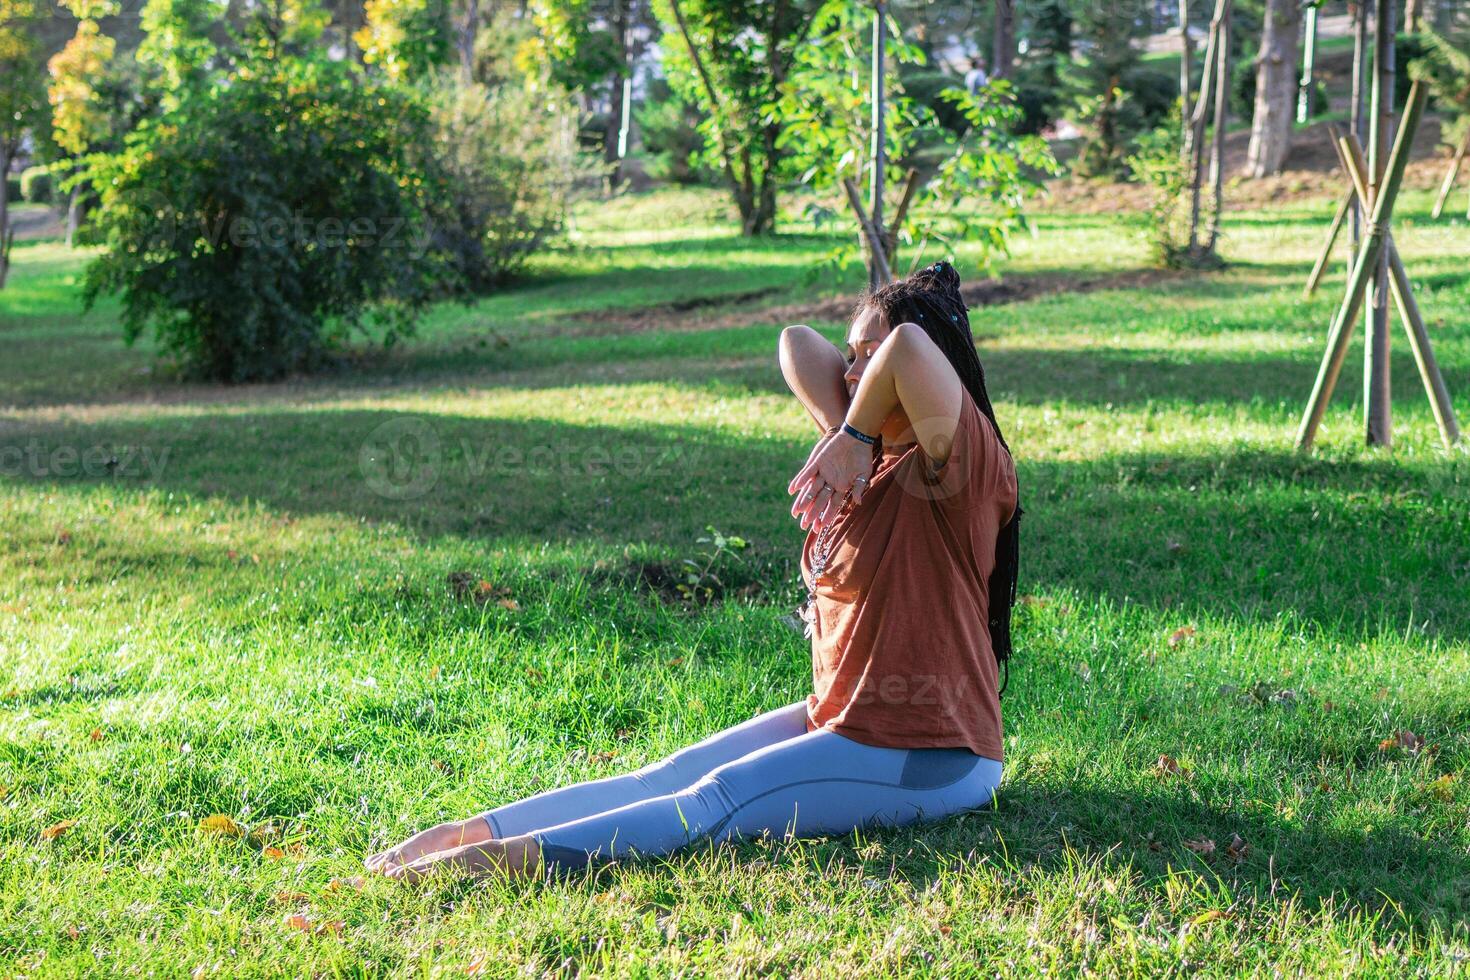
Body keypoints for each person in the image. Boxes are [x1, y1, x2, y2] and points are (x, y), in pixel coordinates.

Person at [365, 261, 1021, 882]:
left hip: (934, 754)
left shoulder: (960, 468)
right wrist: (849, 430)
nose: (851, 373)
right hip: (846, 722)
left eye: (863, 359)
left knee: (716, 800)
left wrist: (851, 434)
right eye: (850, 356)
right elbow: (797, 341)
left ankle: (506, 862)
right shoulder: (867, 466)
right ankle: (470, 833)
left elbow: (905, 344)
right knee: (666, 775)